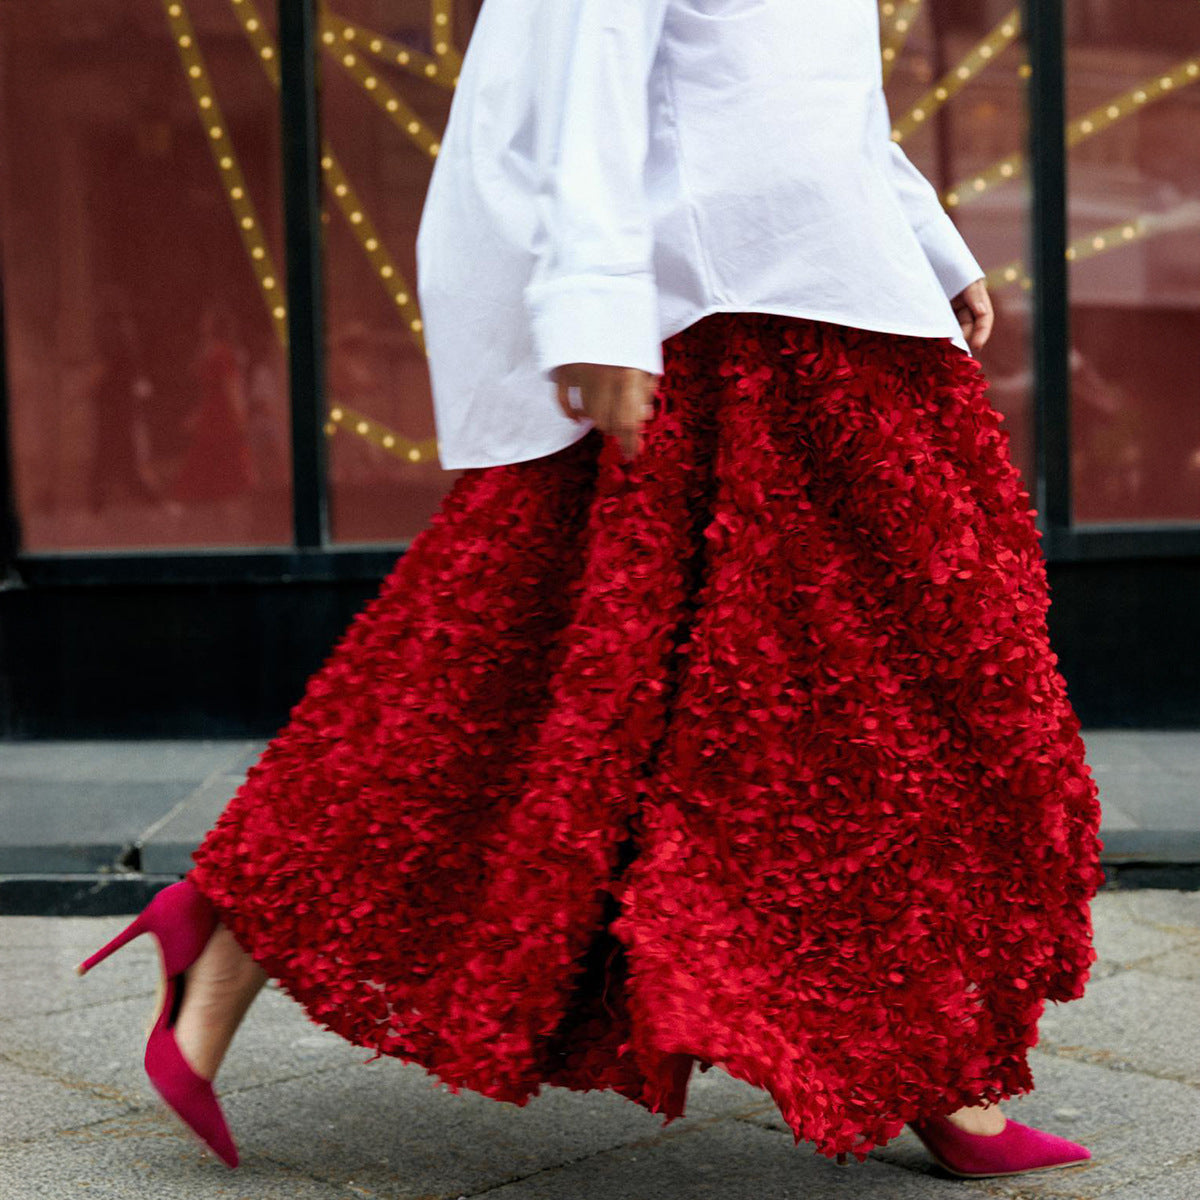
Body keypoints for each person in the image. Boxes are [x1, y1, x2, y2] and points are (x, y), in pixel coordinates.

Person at [77, 0, 1105, 1179]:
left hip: (836, 299)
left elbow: (814, 93)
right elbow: (584, 82)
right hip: (723, 323)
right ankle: (940, 1082)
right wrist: (594, 305)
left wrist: (929, 241)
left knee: (855, 702)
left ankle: (223, 938)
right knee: (840, 708)